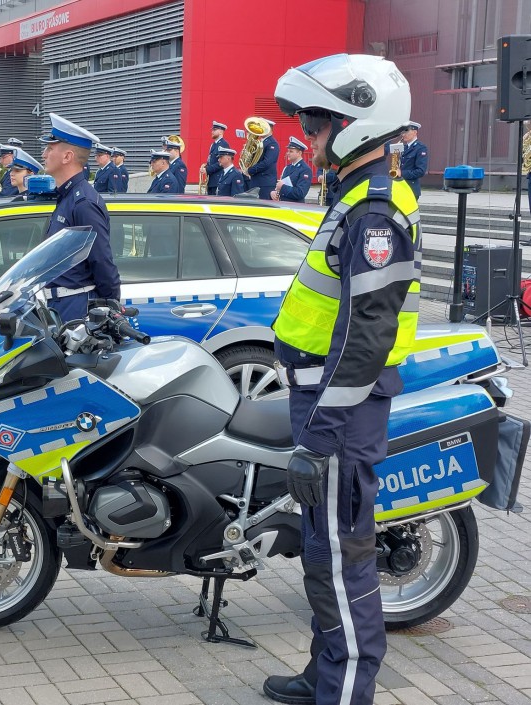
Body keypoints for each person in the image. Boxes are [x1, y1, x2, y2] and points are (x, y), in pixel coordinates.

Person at [266, 53, 422, 705]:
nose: (305, 132)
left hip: (341, 413)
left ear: (359, 121)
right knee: (321, 556)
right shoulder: (355, 196)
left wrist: (321, 438)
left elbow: (365, 341)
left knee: (344, 563)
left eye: (316, 120)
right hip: (322, 402)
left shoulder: (376, 213)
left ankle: (345, 691)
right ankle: (324, 673)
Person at [40, 112, 120, 321]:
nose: (43, 154)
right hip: (61, 305)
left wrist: (111, 309)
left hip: (77, 308)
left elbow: (102, 262)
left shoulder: (83, 203)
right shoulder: (67, 196)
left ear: (67, 157)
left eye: (50, 148)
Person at [0, 148, 43, 263]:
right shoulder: (19, 198)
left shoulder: (31, 200)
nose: (12, 174)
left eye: (17, 171)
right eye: (11, 170)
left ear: (31, 173)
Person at [244, 121, 280, 199]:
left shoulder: (272, 143)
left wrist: (250, 170)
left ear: (269, 129)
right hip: (256, 181)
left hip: (265, 183)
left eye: (263, 127)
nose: (260, 129)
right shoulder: (260, 142)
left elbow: (267, 163)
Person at [272, 137, 313, 202]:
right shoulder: (287, 168)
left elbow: (300, 193)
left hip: (295, 207)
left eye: (291, 151)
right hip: (283, 204)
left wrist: (282, 187)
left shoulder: (305, 169)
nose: (288, 153)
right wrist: (274, 192)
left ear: (299, 153)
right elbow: (280, 186)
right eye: (288, 151)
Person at [397, 121, 428, 199]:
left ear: (415, 132)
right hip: (400, 186)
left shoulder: (420, 148)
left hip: (411, 188)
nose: (403, 134)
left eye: (406, 131)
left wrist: (402, 173)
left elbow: (420, 171)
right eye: (402, 132)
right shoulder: (403, 147)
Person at [201, 121, 230, 195]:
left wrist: (207, 169)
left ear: (220, 132)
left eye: (214, 130)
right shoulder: (213, 144)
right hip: (211, 180)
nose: (212, 132)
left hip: (217, 180)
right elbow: (211, 160)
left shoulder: (223, 144)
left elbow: (222, 163)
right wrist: (205, 166)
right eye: (212, 130)